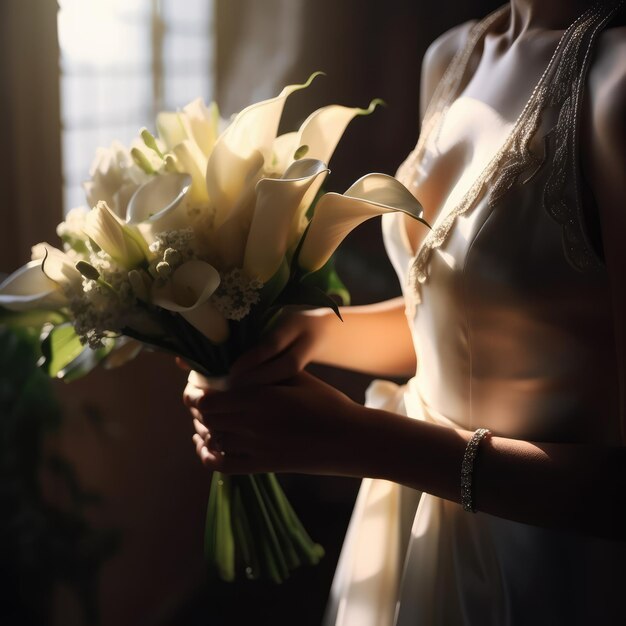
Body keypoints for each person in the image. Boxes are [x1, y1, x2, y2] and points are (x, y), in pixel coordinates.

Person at [184, 0, 626, 623]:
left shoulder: (614, 85)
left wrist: (357, 442)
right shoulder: (454, 56)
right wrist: (299, 335)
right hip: (414, 523)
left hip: (545, 567)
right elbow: (461, 327)